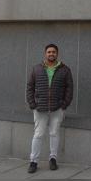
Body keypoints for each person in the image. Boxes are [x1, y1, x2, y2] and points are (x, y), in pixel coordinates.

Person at [26, 44, 73, 173]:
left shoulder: (65, 70)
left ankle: (53, 159)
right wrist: (32, 104)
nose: (51, 54)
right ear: (45, 54)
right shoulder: (36, 69)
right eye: (49, 52)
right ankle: (33, 161)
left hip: (57, 108)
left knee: (54, 134)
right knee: (38, 134)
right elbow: (29, 87)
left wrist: (64, 104)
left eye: (53, 52)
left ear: (57, 54)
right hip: (40, 108)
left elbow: (70, 88)